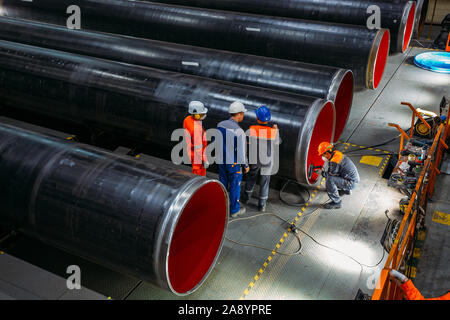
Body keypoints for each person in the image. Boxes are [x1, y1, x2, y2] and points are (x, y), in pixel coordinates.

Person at [242, 106, 281, 212]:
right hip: (267, 161)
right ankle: (261, 205)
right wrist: (276, 131)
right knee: (265, 182)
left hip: (254, 160)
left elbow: (247, 143)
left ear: (258, 119)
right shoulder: (272, 132)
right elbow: (278, 142)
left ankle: (246, 198)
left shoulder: (252, 129)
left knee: (251, 179)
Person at [217, 101, 250, 217]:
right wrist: (245, 165)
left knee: (223, 184)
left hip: (221, 160)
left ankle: (221, 205)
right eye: (243, 113)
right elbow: (241, 153)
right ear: (239, 114)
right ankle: (234, 210)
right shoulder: (239, 132)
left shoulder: (220, 125)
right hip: (233, 163)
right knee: (235, 186)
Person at [318, 142, 360, 209]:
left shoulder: (334, 161)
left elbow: (330, 175)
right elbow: (335, 171)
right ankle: (346, 190)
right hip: (353, 179)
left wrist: (321, 173)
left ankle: (337, 202)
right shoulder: (336, 153)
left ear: (327, 153)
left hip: (351, 183)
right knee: (338, 173)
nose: (323, 157)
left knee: (330, 180)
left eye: (323, 155)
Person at [183, 101, 209, 176]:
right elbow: (198, 148)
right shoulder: (196, 129)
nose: (204, 115)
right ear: (196, 115)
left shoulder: (187, 119)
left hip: (190, 150)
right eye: (202, 113)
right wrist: (204, 159)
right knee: (198, 175)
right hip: (197, 156)